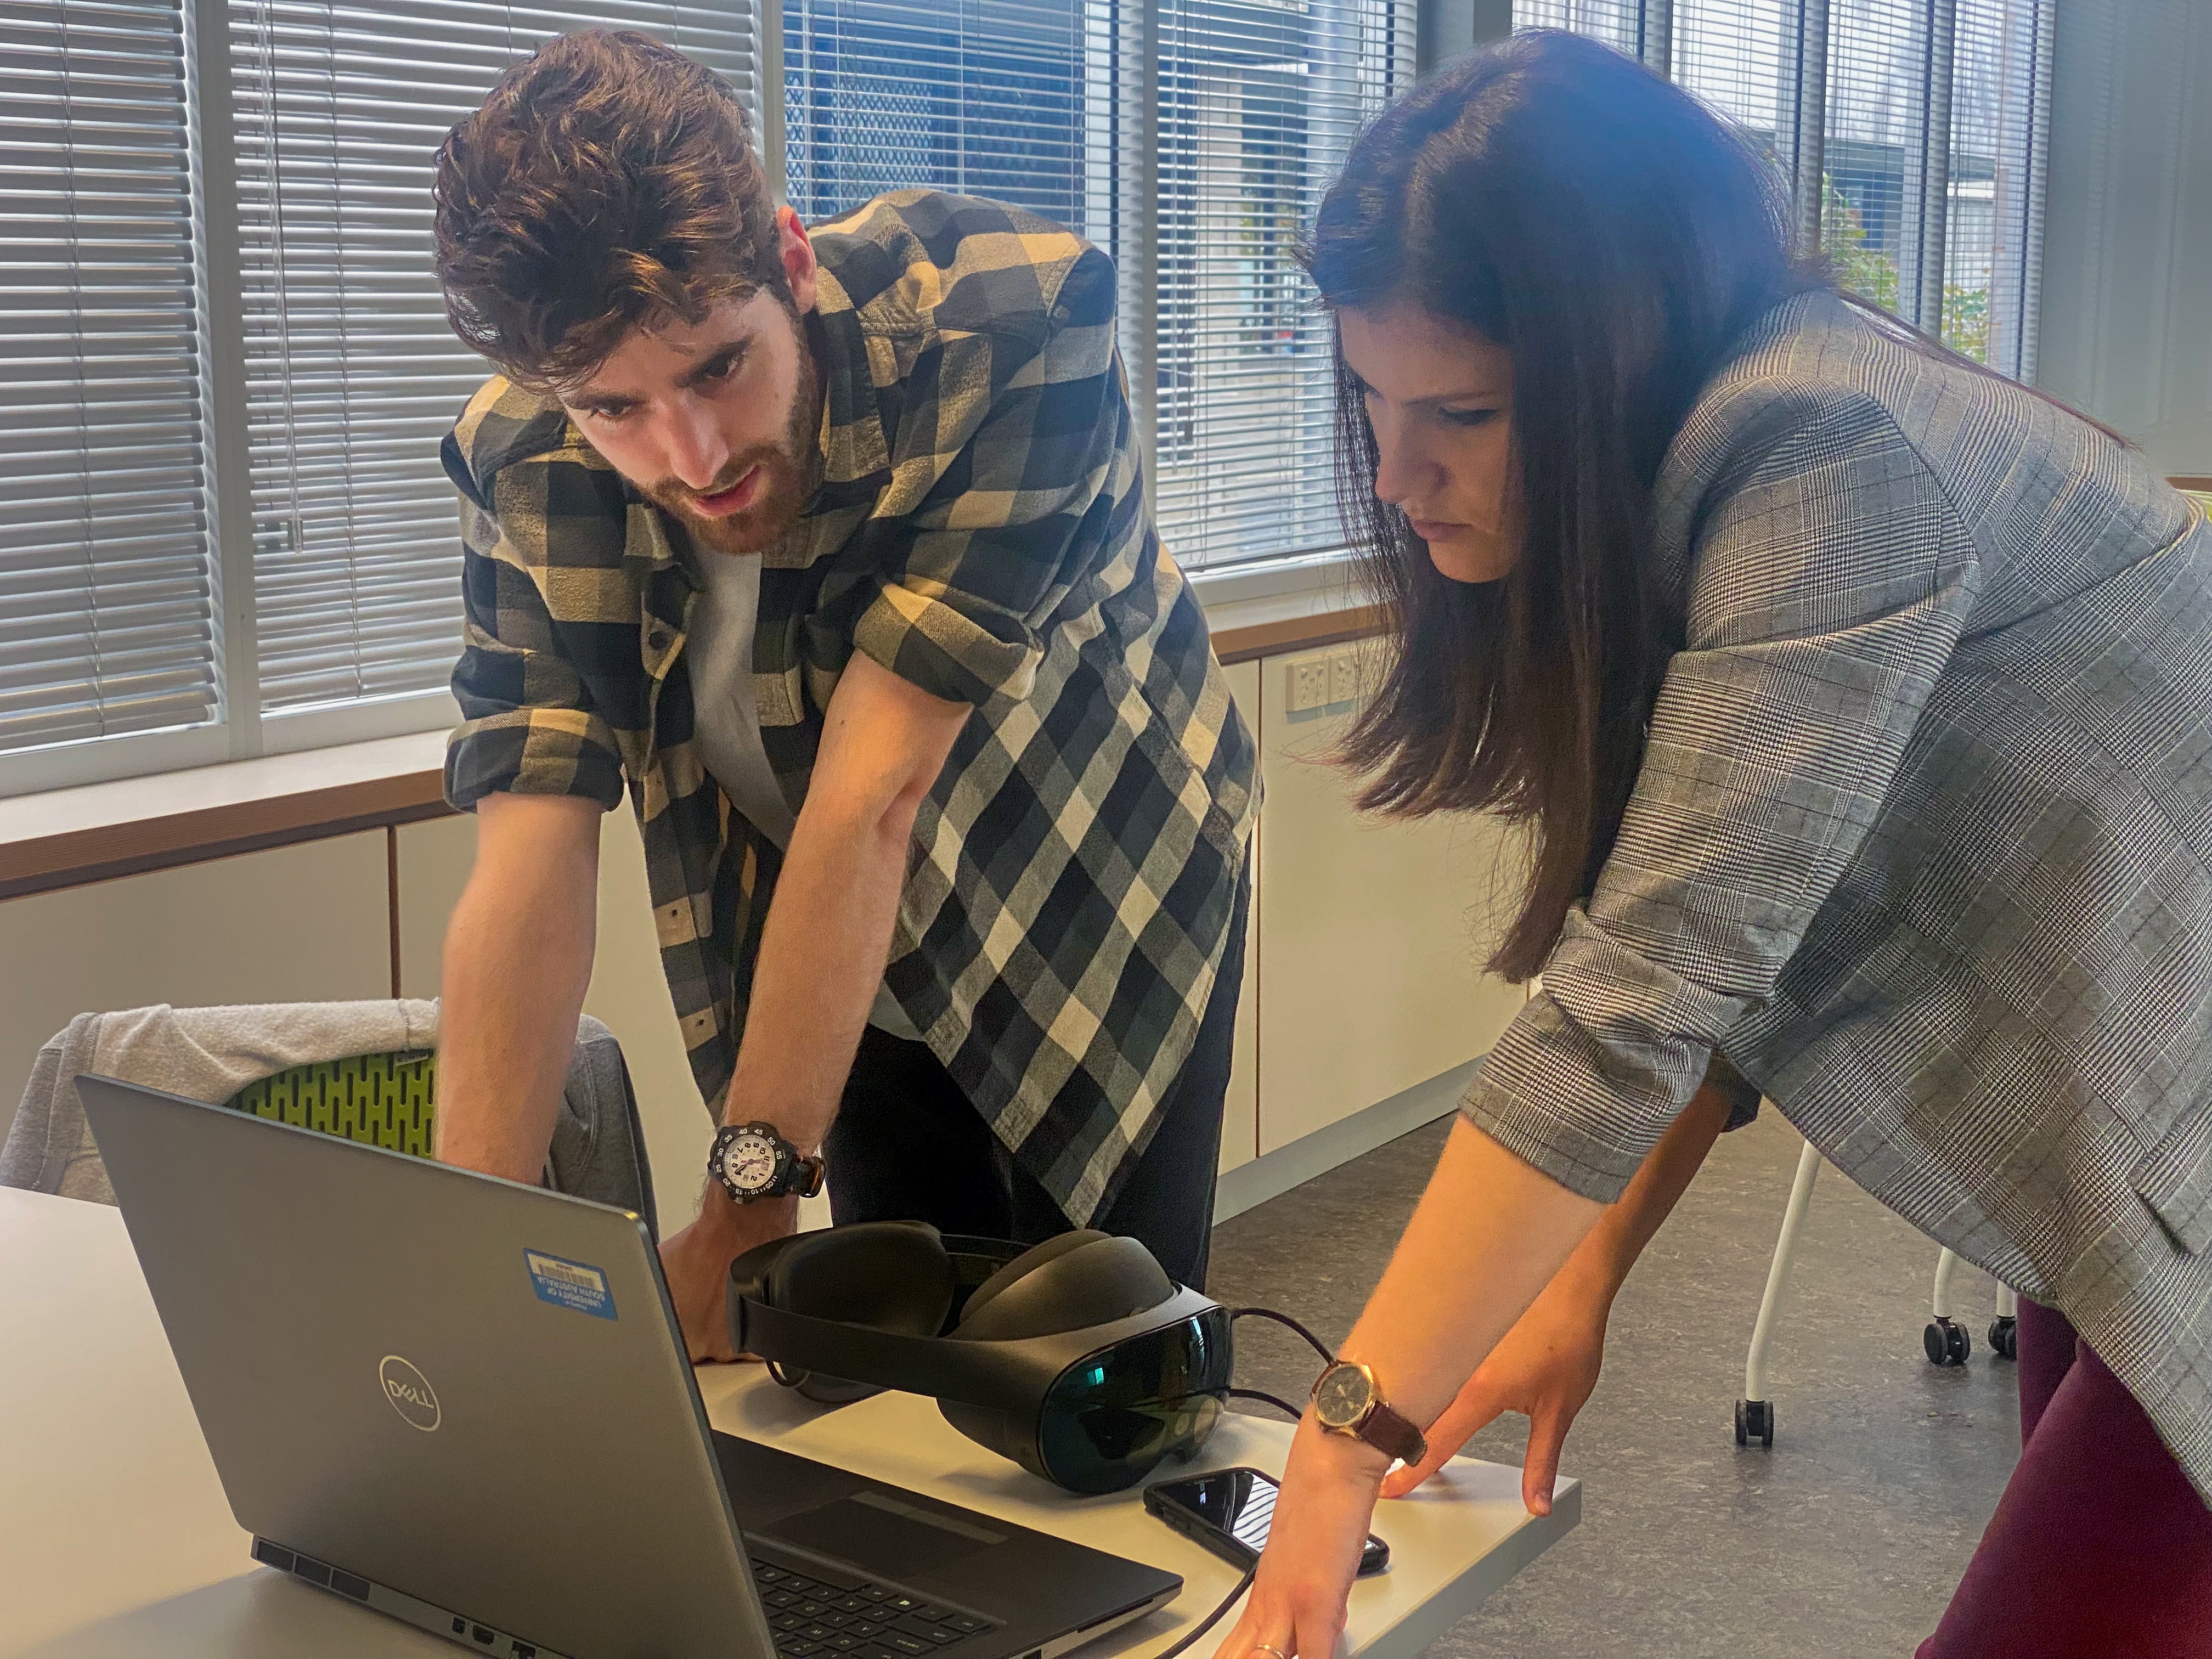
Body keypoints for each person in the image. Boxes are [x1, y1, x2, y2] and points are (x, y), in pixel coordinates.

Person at [1218, 30, 2212, 1659]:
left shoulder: (1827, 453)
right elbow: (1726, 927)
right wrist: (1581, 1271)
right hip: (2119, 1128)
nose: (1397, 476)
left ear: (1612, 356)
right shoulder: (1719, 458)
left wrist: (1340, 1441)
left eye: (1459, 411)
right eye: (1373, 403)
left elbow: (1643, 989)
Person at [425, 29, 1257, 1358]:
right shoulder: (522, 456)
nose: (691, 457)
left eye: (718, 367)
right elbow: (528, 861)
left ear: (791, 263)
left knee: (1108, 1355)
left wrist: (744, 1208)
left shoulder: (1012, 325)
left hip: (1101, 878)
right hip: (835, 938)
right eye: (614, 410)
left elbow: (877, 792)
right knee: (896, 1361)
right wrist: (462, 1268)